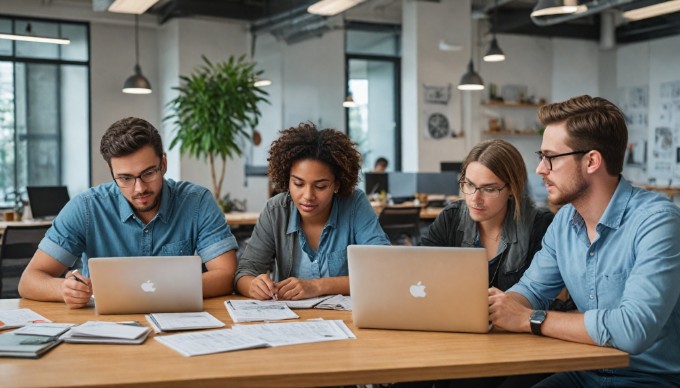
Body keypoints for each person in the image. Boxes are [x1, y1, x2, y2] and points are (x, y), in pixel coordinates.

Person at [489, 95, 680, 386]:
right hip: (584, 371)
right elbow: (531, 290)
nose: (540, 169)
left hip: (650, 379)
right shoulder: (564, 221)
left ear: (591, 161)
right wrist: (498, 306)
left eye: (550, 158)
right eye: (541, 158)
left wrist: (530, 319)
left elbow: (633, 330)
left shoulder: (657, 221)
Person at [18, 117, 238, 308]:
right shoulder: (86, 208)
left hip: (181, 324)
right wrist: (63, 290)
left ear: (163, 163)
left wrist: (155, 290)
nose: (139, 188)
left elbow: (226, 276)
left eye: (148, 173)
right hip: (105, 328)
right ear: (112, 173)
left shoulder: (197, 202)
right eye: (125, 178)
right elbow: (29, 280)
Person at [235, 123, 390, 300]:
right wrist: (253, 286)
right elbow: (244, 272)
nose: (308, 196)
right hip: (289, 322)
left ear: (336, 184)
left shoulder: (354, 205)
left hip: (346, 321)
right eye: (298, 184)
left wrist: (318, 286)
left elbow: (381, 268)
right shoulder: (275, 211)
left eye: (321, 186)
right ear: (287, 180)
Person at [423, 139, 553, 291]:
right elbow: (420, 271)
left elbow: (545, 297)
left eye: (489, 189)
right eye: (470, 184)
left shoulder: (539, 225)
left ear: (512, 188)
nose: (475, 198)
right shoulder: (450, 218)